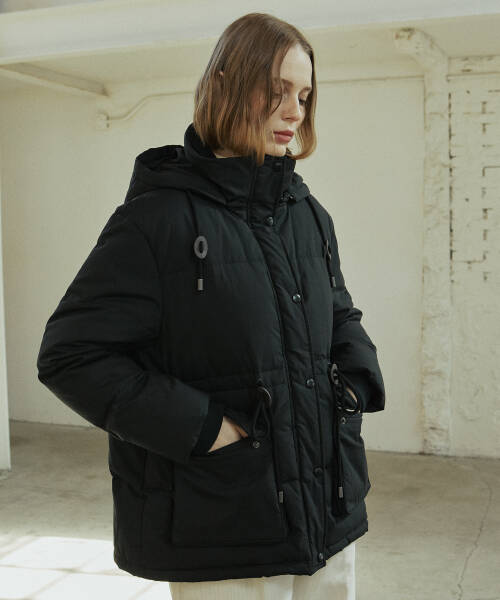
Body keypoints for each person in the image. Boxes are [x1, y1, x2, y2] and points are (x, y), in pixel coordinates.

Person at [36, 11, 385, 600]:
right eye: (277, 91)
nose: (295, 112)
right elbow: (71, 355)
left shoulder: (306, 213)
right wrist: (200, 428)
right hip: (222, 524)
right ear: (225, 84)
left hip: (328, 507)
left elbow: (338, 312)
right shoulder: (155, 221)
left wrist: (354, 382)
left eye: (304, 96)